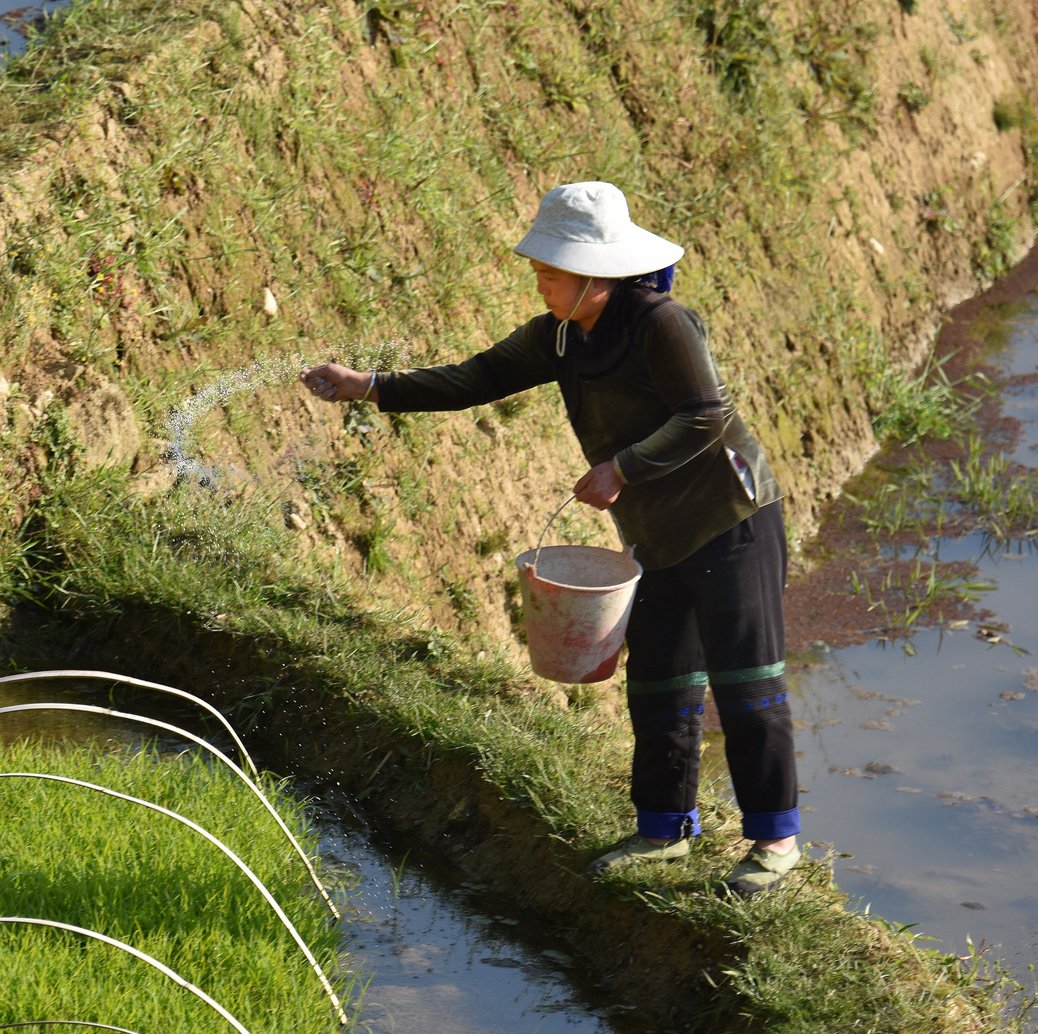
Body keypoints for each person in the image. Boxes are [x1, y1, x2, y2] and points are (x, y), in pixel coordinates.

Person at [298, 181, 801, 895]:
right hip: (659, 533)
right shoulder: (560, 336)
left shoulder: (662, 324)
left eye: (551, 270)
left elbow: (705, 417)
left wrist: (621, 469)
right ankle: (665, 830)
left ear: (598, 274)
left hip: (730, 521)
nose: (540, 279)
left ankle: (775, 842)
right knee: (662, 679)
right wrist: (367, 386)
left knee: (746, 683)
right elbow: (476, 378)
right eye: (539, 267)